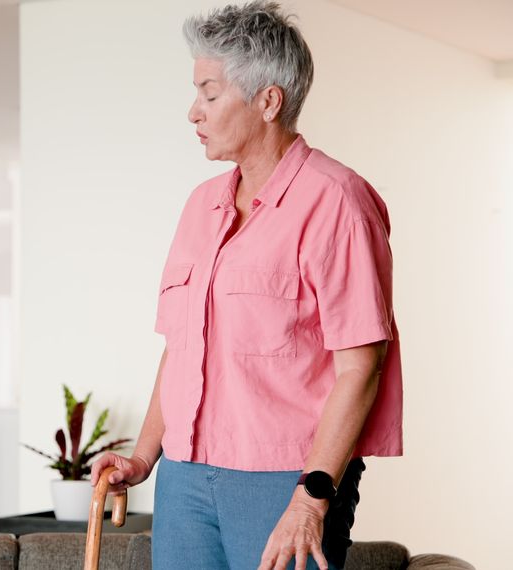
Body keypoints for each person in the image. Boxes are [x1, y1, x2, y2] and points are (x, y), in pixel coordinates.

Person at [90, 3, 402, 570]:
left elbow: (361, 367)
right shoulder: (200, 205)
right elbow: (181, 349)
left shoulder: (337, 202)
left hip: (285, 480)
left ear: (267, 101)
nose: (193, 111)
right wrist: (143, 458)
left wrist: (311, 498)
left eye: (209, 94)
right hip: (184, 478)